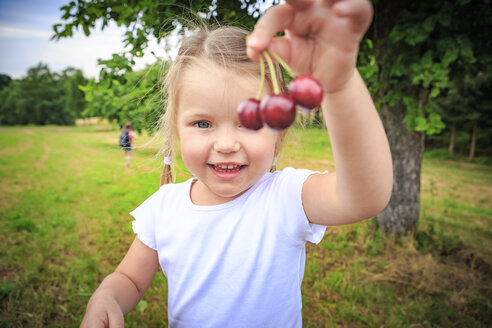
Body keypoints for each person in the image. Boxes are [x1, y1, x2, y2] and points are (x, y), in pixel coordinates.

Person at [81, 0, 393, 326]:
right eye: (202, 123)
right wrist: (108, 294)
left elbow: (365, 196)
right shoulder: (164, 208)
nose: (227, 145)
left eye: (252, 122)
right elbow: (129, 280)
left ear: (278, 133)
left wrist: (338, 84)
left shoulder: (285, 198)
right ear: (176, 131)